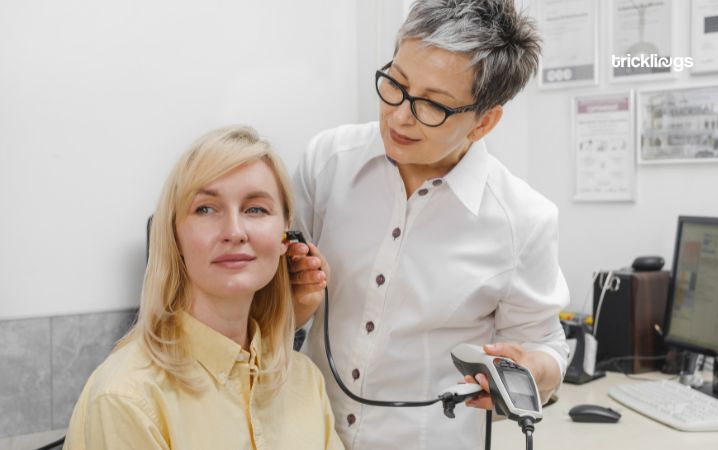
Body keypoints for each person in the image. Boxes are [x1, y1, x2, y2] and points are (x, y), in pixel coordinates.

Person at [287, 1, 569, 448]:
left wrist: (535, 370)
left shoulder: (524, 220)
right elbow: (274, 298)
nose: (400, 116)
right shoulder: (328, 163)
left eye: (433, 106)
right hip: (310, 433)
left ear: (484, 122)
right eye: (395, 84)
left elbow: (547, 346)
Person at [63, 126, 343, 450]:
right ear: (175, 235)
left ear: (285, 235)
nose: (235, 232)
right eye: (206, 209)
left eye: (256, 209)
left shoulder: (305, 382)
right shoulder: (126, 397)